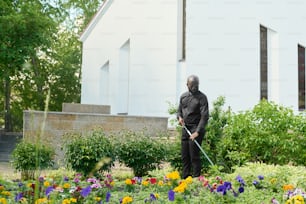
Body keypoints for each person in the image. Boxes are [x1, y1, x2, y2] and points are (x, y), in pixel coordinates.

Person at [177, 75, 209, 179]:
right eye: (192, 85)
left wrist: (198, 132)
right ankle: (185, 178)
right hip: (186, 128)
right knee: (184, 155)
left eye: (196, 85)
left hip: (196, 128)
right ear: (187, 85)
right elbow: (179, 111)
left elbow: (205, 116)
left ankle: (196, 178)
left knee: (194, 155)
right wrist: (179, 118)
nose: (195, 87)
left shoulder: (202, 98)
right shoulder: (183, 97)